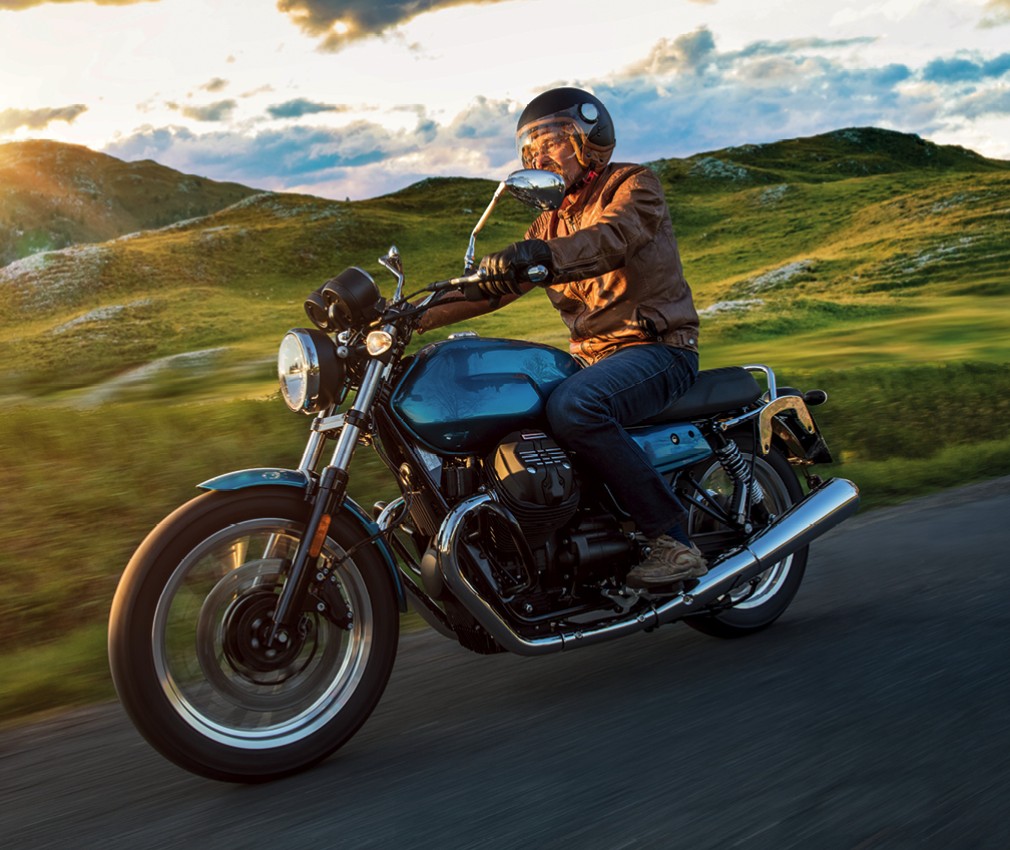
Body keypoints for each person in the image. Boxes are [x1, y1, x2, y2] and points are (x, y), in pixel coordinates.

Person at [417, 87, 706, 586]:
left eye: (552, 142)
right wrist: (407, 318)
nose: (541, 156)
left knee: (576, 408)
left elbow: (612, 239)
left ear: (590, 139)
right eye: (532, 149)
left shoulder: (633, 185)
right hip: (594, 360)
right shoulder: (547, 223)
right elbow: (492, 292)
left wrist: (541, 257)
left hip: (657, 350)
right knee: (509, 413)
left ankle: (673, 541)